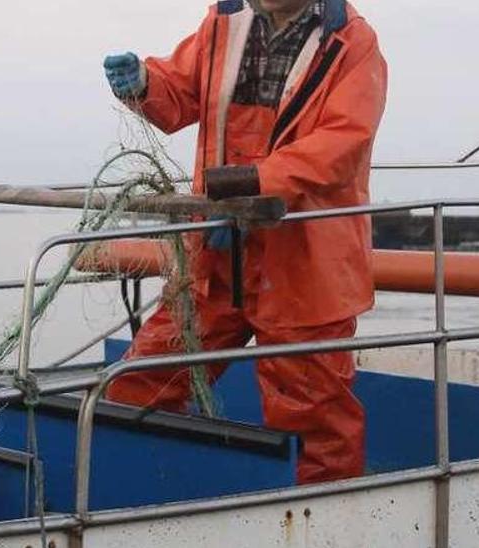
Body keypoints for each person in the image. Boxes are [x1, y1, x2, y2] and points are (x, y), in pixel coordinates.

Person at [101, 0, 387, 483]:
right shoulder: (223, 21)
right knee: (140, 385)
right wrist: (146, 85)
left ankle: (327, 523)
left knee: (315, 421)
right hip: (215, 259)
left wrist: (245, 187)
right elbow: (180, 93)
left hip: (304, 261)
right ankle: (143, 500)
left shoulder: (355, 43)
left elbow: (341, 145)